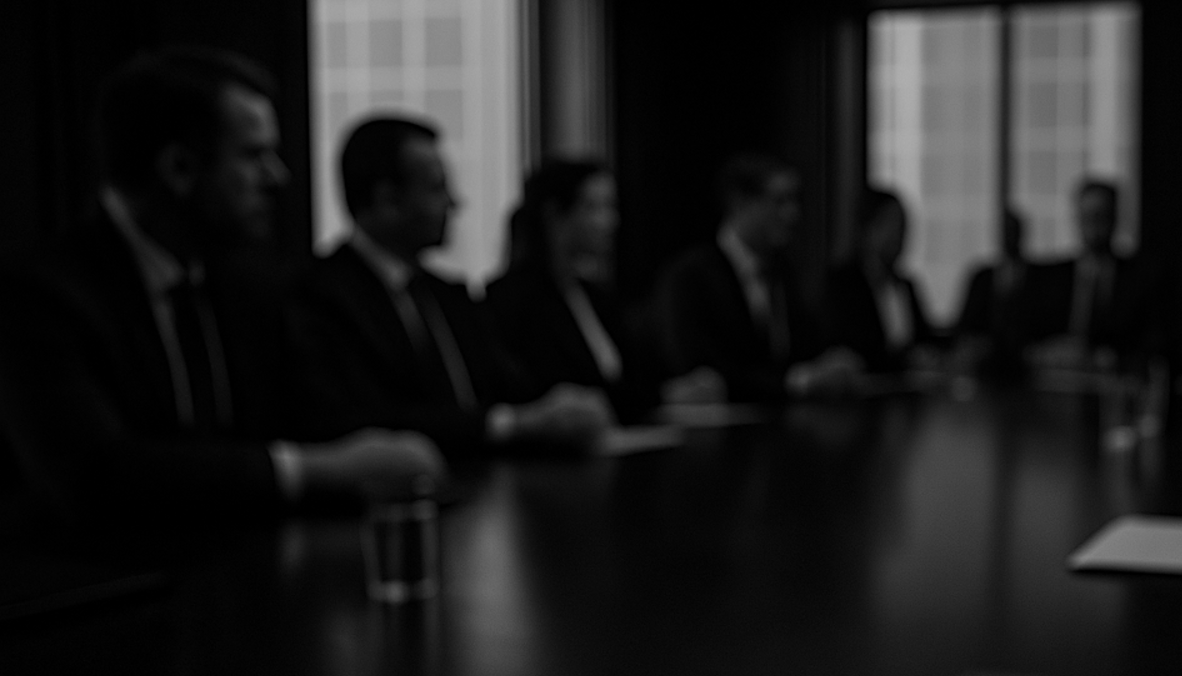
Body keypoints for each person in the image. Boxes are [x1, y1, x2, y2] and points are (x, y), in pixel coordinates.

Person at [0, 48, 443, 523]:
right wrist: (308, 470)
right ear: (180, 170)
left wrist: (386, 448)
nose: (278, 177)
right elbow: (97, 477)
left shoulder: (249, 286)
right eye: (254, 156)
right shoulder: (42, 296)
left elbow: (326, 419)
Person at [291, 116, 613, 456]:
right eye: (436, 188)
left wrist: (563, 406)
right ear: (387, 201)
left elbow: (510, 388)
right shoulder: (321, 296)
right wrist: (509, 424)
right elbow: (373, 420)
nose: (454, 203)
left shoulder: (447, 295)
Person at [651, 153, 851, 403]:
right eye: (778, 201)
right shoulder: (691, 276)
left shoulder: (783, 271)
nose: (792, 214)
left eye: (794, 201)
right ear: (740, 202)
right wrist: (796, 382)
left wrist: (831, 361)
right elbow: (703, 372)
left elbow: (806, 346)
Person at [485, 159, 658, 424]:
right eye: (594, 208)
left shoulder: (597, 297)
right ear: (554, 215)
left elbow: (638, 382)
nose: (610, 221)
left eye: (610, 207)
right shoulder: (511, 300)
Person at [1027, 179, 1152, 369]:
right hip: (1059, 380)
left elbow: (1151, 341)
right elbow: (1028, 338)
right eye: (1087, 216)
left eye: (1101, 216)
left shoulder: (1140, 278)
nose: (1094, 225)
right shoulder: (1050, 278)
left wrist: (1111, 357)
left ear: (1114, 217)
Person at [820, 186, 936, 374]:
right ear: (867, 228)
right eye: (890, 224)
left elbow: (923, 339)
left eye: (902, 226)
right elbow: (849, 347)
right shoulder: (844, 283)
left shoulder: (906, 285)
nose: (898, 234)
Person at [952, 210, 1040, 379]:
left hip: (1026, 363)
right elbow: (965, 324)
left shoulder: (1037, 277)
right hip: (984, 364)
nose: (1010, 237)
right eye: (1006, 231)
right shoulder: (982, 277)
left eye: (1014, 231)